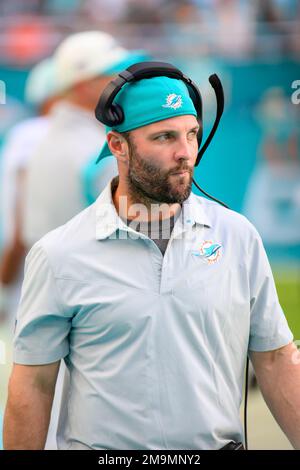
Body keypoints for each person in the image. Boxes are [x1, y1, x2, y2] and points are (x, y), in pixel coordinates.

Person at [3, 63, 300, 450]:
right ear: (117, 145)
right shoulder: (59, 254)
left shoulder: (238, 236)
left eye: (192, 135)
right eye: (163, 137)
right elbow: (34, 383)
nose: (185, 153)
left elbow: (276, 359)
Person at [0, 57, 60, 324]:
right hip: (38, 284)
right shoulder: (35, 134)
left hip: (33, 287)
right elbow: (22, 225)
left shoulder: (28, 134)